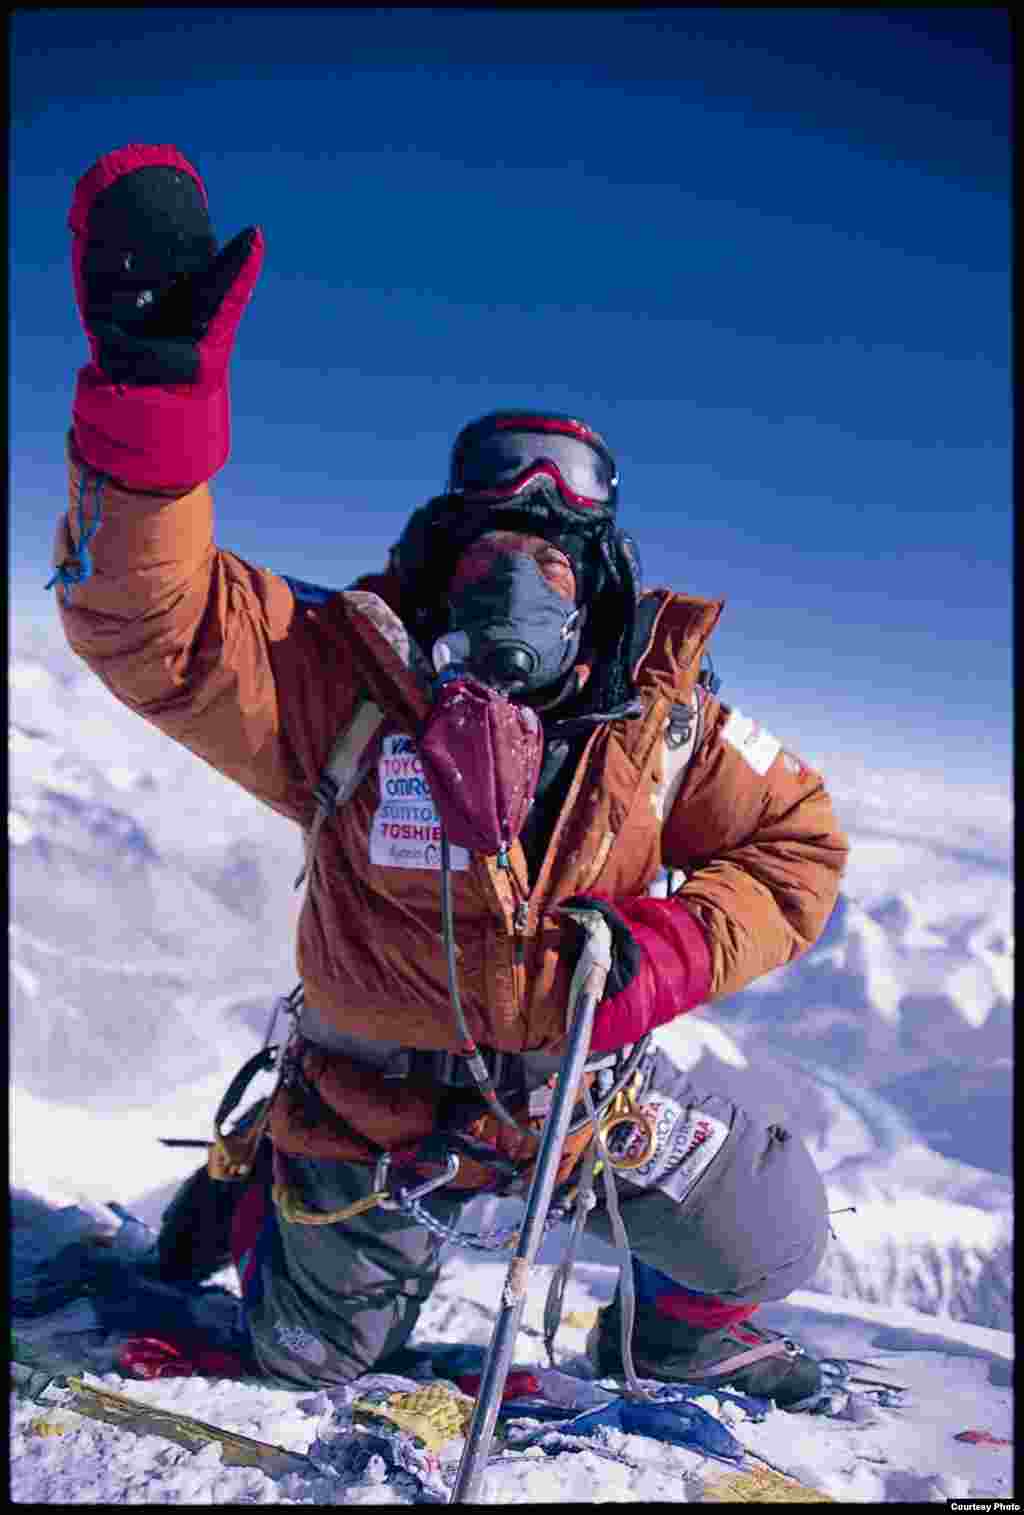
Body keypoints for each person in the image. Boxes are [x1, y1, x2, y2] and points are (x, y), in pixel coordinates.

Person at [52, 144, 849, 1409]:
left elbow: (797, 842)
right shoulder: (336, 680)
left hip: (576, 1104)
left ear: (599, 578)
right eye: (492, 541)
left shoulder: (665, 724)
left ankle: (688, 1336)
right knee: (303, 1369)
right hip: (368, 1117)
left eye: (552, 549)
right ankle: (268, 1198)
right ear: (438, 552)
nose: (518, 576)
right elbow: (156, 625)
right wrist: (151, 420)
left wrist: (679, 949)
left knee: (772, 1232)